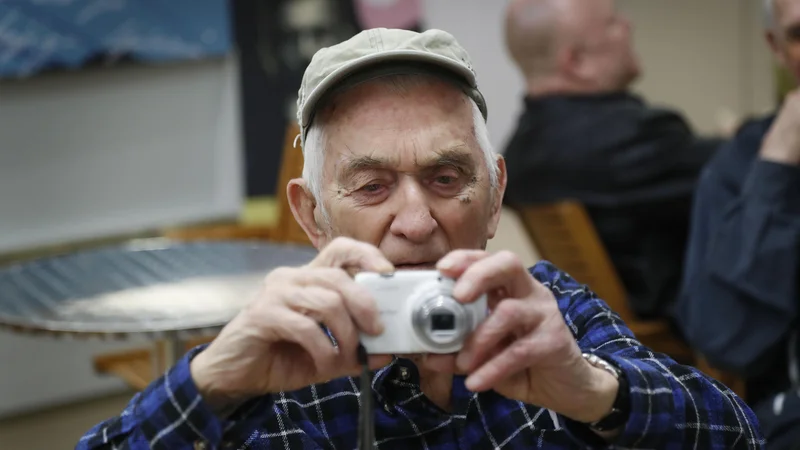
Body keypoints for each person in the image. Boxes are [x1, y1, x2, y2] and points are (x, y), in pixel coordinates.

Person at [76, 28, 763, 450]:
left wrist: (592, 393)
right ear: (313, 217)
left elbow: (738, 436)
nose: (415, 221)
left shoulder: (546, 316)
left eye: (445, 176)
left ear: (494, 195)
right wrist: (209, 386)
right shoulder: (277, 351)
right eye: (371, 186)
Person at [501, 0, 723, 321]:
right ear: (577, 61)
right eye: (611, 22)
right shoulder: (633, 138)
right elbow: (741, 173)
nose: (627, 25)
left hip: (599, 323)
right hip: (679, 332)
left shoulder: (520, 151)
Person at [674, 0, 800, 446]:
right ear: (777, 47)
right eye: (799, 34)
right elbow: (721, 338)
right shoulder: (746, 163)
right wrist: (777, 166)